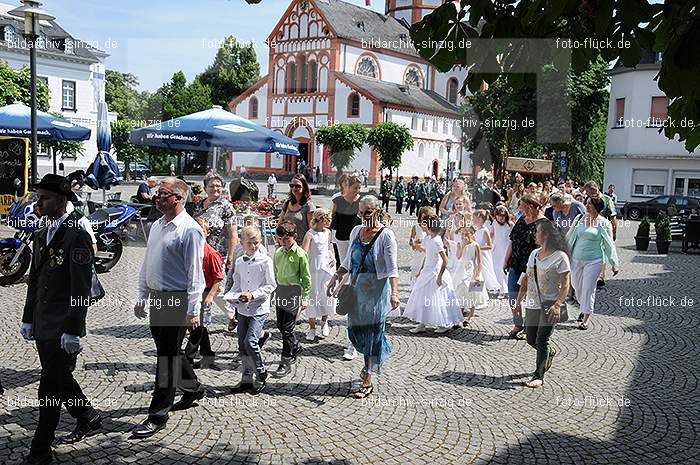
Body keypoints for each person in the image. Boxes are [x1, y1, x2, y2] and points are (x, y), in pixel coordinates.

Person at [20, 174, 100, 465]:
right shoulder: (43, 229)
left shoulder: (76, 233)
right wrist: (29, 317)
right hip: (43, 323)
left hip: (62, 326)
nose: (38, 203)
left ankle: (40, 450)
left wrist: (73, 329)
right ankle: (86, 415)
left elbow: (80, 288)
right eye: (38, 197)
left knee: (49, 386)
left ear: (63, 200)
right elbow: (36, 278)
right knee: (59, 377)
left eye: (45, 198)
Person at [132, 177, 206, 439]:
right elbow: (147, 262)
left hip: (178, 300)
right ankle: (193, 388)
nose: (156, 197)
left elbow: (196, 275)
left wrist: (193, 311)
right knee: (170, 352)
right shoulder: (156, 226)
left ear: (179, 198)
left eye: (163, 193)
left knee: (165, 358)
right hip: (158, 299)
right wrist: (142, 295)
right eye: (157, 192)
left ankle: (157, 415)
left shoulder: (190, 230)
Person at [326, 195, 399, 398]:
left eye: (367, 212)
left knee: (371, 335)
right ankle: (378, 352)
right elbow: (349, 260)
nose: (363, 216)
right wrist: (336, 277)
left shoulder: (386, 236)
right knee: (354, 333)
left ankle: (367, 379)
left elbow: (393, 269)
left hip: (376, 292)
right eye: (360, 212)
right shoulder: (356, 231)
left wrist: (394, 293)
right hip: (357, 291)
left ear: (377, 211)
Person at [515, 220, 571, 388]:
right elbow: (526, 278)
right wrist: (517, 302)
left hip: (550, 304)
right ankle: (549, 352)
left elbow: (566, 284)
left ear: (546, 235)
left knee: (542, 338)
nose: (534, 234)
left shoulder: (560, 257)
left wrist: (558, 304)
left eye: (537, 231)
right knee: (530, 338)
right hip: (532, 302)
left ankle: (538, 376)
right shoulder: (534, 254)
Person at [225, 225, 276, 394]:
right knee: (242, 345)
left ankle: (261, 372)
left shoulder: (265, 260)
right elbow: (236, 285)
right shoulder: (239, 262)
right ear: (242, 243)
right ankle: (246, 379)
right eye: (250, 243)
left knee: (250, 342)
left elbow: (270, 285)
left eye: (256, 243)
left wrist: (252, 295)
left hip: (258, 309)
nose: (253, 246)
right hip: (242, 309)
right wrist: (232, 298)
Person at [566, 196, 620, 330]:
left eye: (590, 203)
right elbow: (570, 236)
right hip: (576, 259)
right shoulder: (579, 219)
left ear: (597, 206)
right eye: (587, 203)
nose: (587, 205)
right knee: (577, 286)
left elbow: (609, 244)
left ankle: (586, 317)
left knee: (589, 288)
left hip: (594, 261)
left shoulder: (604, 223)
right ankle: (583, 306)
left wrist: (614, 263)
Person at [404, 214, 463, 334]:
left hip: (435, 272)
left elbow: (445, 259)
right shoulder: (428, 238)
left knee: (436, 298)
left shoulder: (437, 241)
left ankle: (444, 322)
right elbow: (427, 253)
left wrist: (440, 276)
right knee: (422, 295)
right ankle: (422, 322)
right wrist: (421, 269)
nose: (422, 226)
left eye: (424, 224)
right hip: (427, 270)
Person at [503, 195, 548, 339]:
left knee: (530, 298)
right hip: (515, 263)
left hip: (532, 267)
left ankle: (529, 328)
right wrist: (505, 260)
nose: (519, 208)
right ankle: (518, 323)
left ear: (530, 205)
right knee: (512, 294)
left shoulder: (544, 223)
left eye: (521, 205)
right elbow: (512, 240)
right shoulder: (522, 219)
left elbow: (546, 248)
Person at [272, 221, 312, 378]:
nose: (282, 242)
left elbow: (306, 278)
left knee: (287, 329)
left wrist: (306, 297)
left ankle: (285, 361)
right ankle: (295, 346)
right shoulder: (278, 253)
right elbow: (276, 273)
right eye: (280, 238)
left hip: (294, 292)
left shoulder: (300, 254)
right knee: (281, 326)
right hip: (281, 291)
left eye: (286, 239)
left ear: (294, 237)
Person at [184, 217, 225, 371]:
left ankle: (187, 359)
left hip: (204, 292)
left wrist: (210, 296)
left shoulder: (211, 253)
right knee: (196, 326)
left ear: (207, 233)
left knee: (196, 327)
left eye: (202, 231)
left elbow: (218, 278)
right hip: (191, 290)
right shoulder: (190, 250)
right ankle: (208, 356)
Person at [302, 209, 336, 341]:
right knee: (313, 296)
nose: (330, 221)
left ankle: (324, 322)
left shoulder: (328, 232)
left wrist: (333, 257)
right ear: (322, 219)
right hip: (313, 268)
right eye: (328, 218)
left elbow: (328, 248)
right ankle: (311, 327)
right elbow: (304, 253)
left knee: (326, 294)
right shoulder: (310, 234)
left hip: (327, 268)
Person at [455, 225, 489, 325]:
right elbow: (458, 256)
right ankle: (460, 314)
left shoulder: (476, 245)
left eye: (467, 234)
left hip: (472, 270)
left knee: (473, 293)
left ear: (472, 234)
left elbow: (479, 262)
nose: (464, 236)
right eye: (462, 234)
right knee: (461, 290)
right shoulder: (459, 244)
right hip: (462, 270)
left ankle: (471, 314)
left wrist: (478, 275)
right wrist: (463, 245)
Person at [331, 175, 362, 266]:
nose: (358, 190)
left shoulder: (361, 201)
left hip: (357, 237)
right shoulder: (337, 200)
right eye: (355, 188)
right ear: (348, 187)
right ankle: (343, 280)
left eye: (359, 188)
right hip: (342, 237)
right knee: (344, 263)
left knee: (356, 262)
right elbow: (332, 218)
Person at [279, 174, 315, 246]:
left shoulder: (308, 206)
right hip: (285, 245)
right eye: (292, 185)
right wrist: (278, 241)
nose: (294, 188)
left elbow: (311, 230)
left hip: (300, 245)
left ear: (304, 187)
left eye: (298, 186)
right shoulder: (287, 203)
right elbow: (279, 224)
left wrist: (305, 247)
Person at [473, 209, 501, 293]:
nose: (473, 220)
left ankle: (480, 291)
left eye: (474, 218)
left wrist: (478, 247)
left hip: (483, 255)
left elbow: (489, 246)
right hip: (476, 254)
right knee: (476, 271)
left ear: (480, 219)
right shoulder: (476, 230)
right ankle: (477, 292)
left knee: (483, 273)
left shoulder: (485, 231)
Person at [491, 205, 513, 297]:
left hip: (506, 247)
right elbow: (491, 234)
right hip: (497, 249)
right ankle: (501, 288)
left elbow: (513, 236)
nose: (501, 218)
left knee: (505, 269)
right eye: (499, 216)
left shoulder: (510, 224)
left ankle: (507, 288)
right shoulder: (494, 223)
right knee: (497, 269)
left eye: (503, 216)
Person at [409, 206, 433, 285]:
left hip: (427, 253)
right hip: (418, 254)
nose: (424, 219)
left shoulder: (433, 228)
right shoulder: (416, 227)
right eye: (423, 216)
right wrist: (414, 243)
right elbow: (411, 240)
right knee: (416, 271)